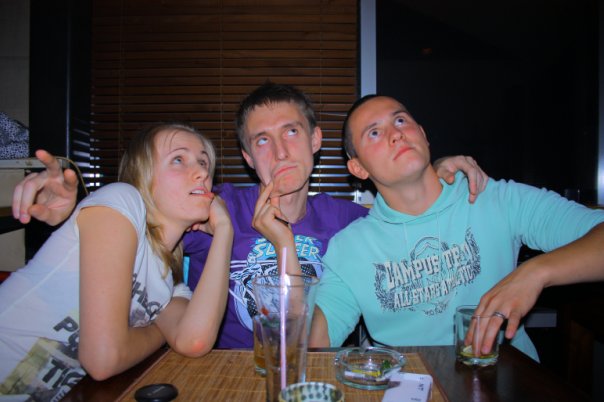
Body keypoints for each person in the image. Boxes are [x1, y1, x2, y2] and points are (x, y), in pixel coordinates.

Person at [11, 83, 488, 350]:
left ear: (316, 140)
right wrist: (72, 204)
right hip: (217, 376)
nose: (279, 151)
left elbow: (406, 207)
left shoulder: (349, 220)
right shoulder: (212, 204)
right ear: (246, 156)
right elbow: (144, 209)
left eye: (291, 132)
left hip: (307, 371)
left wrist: (436, 170)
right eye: (262, 140)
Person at [308, 94, 604, 361]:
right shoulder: (351, 248)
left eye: (400, 120)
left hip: (510, 382)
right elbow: (314, 344)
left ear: (422, 134)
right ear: (358, 168)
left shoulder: (492, 198)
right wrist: (285, 239)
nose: (396, 134)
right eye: (374, 132)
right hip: (411, 388)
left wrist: (535, 272)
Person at [1, 123, 233, 399]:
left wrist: (224, 231)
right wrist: (159, 328)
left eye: (204, 162)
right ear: (142, 177)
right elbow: (103, 360)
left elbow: (194, 342)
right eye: (178, 159)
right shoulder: (121, 201)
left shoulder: (168, 284)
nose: (202, 172)